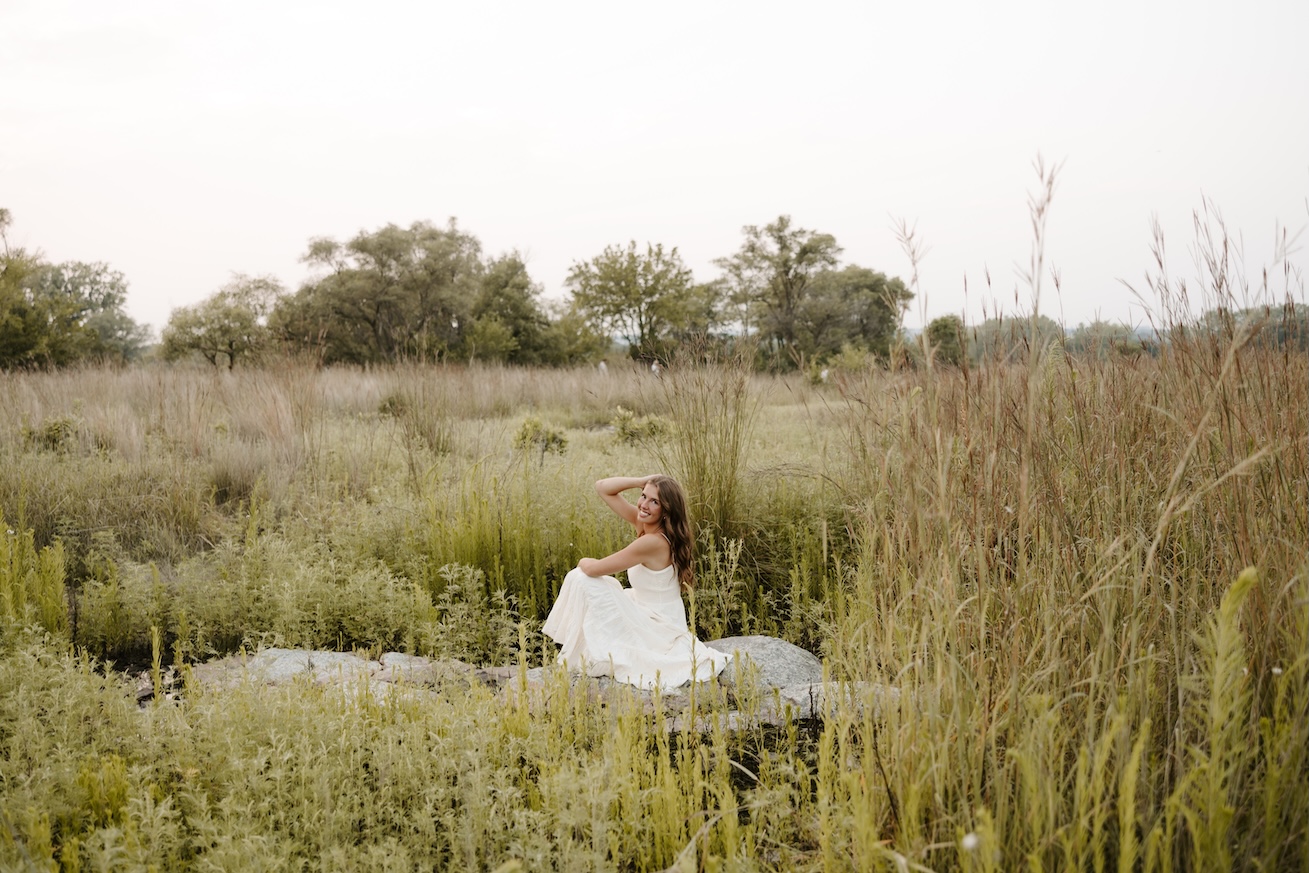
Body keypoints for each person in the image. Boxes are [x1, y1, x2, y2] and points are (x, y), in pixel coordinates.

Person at [542, 474, 727, 690]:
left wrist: (583, 560)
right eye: (643, 496)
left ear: (666, 511)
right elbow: (602, 487)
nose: (644, 505)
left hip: (659, 627)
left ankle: (576, 645)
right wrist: (643, 480)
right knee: (596, 584)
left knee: (581, 577)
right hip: (646, 609)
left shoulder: (653, 542)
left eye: (654, 501)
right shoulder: (648, 525)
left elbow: (593, 569)